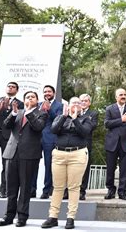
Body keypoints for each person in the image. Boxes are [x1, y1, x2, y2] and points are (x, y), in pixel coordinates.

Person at [0, 91, 47, 227]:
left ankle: (22, 217)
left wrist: (29, 112)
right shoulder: (17, 112)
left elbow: (38, 127)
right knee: (11, 188)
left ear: (37, 100)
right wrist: (13, 113)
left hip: (29, 155)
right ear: (23, 100)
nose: (29, 99)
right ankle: (8, 216)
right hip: (11, 153)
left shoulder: (41, 113)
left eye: (32, 97)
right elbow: (6, 126)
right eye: (27, 97)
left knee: (25, 188)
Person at [41, 97, 92, 230]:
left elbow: (85, 132)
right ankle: (53, 217)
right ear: (68, 106)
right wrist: (64, 116)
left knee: (74, 187)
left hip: (78, 154)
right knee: (57, 187)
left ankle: (70, 218)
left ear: (81, 106)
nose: (76, 105)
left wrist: (75, 119)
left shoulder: (86, 119)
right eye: (73, 103)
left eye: (78, 103)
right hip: (59, 154)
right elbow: (53, 130)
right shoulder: (60, 117)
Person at [104, 88, 126, 201]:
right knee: (110, 169)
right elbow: (107, 124)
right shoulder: (109, 109)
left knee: (124, 169)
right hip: (111, 143)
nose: (123, 96)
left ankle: (122, 191)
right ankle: (110, 190)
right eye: (120, 95)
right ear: (116, 97)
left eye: (124, 94)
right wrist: (122, 119)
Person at [33, 85, 63, 199]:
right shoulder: (38, 105)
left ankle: (46, 190)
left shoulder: (59, 106)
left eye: (49, 91)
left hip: (50, 139)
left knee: (48, 165)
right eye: (45, 92)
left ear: (54, 93)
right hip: (35, 138)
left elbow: (58, 120)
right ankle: (31, 189)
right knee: (33, 164)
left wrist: (49, 109)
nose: (47, 93)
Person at [79, 93, 99, 200]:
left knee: (85, 168)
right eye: (81, 100)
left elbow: (92, 126)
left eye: (85, 101)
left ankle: (82, 190)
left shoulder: (93, 113)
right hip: (73, 143)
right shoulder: (75, 111)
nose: (83, 102)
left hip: (86, 143)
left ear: (89, 103)